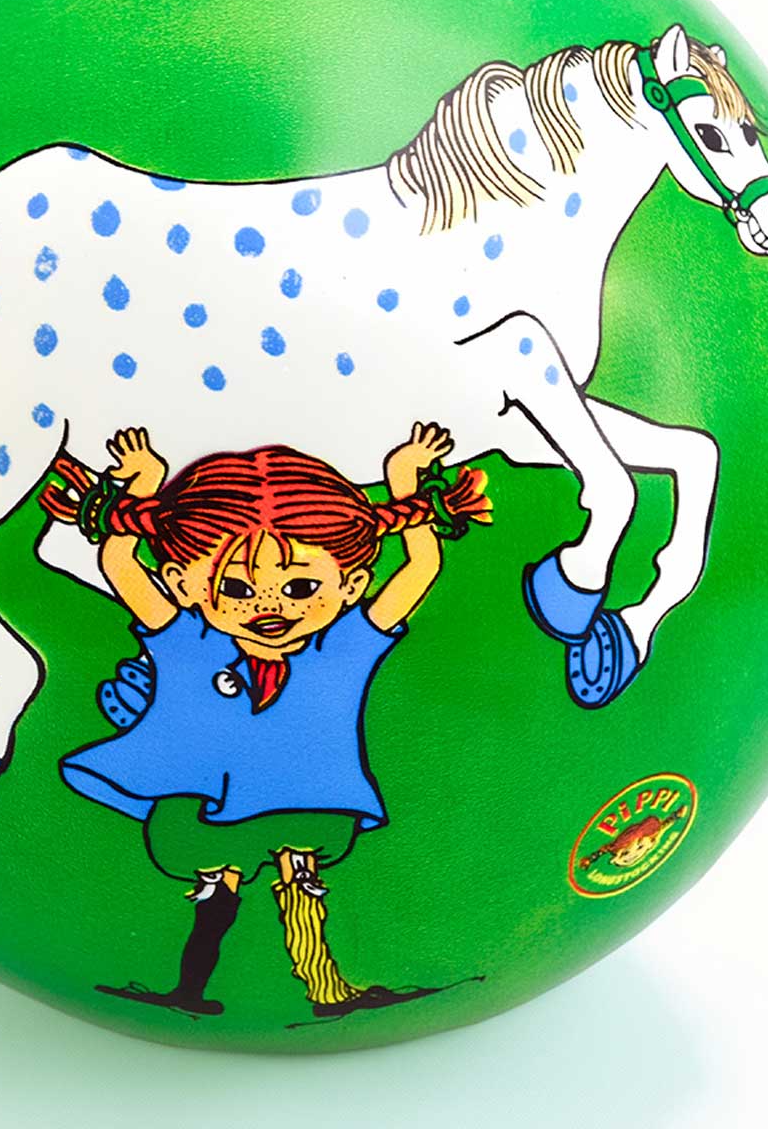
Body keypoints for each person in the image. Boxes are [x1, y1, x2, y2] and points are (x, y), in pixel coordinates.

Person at [39, 422, 489, 1020]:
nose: (268, 606)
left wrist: (405, 479)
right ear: (183, 583)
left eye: (301, 586)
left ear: (352, 583)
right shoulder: (187, 639)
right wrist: (144, 484)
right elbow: (119, 561)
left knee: (302, 886)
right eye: (234, 587)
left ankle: (327, 990)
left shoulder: (345, 644)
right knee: (214, 895)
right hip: (210, 798)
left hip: (305, 794)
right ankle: (190, 989)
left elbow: (419, 568)